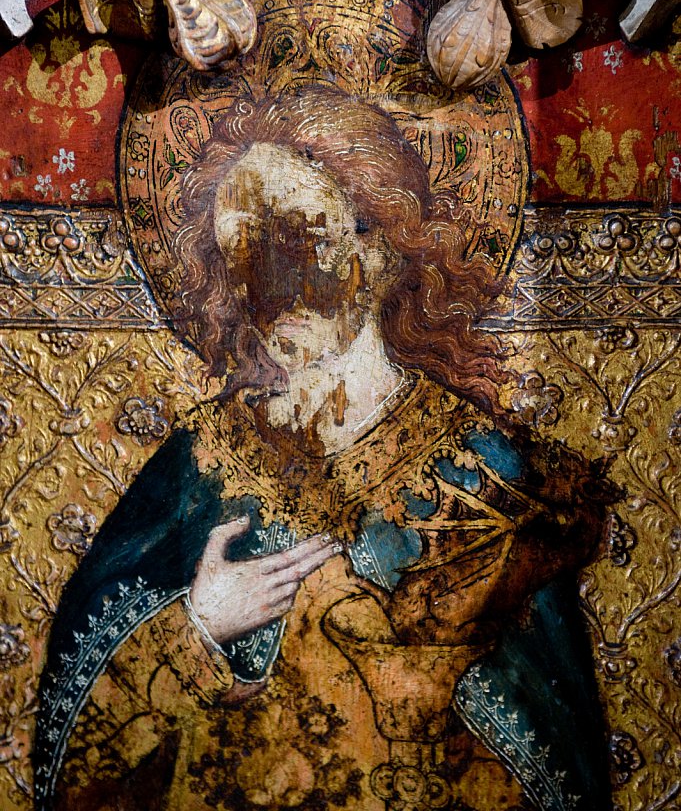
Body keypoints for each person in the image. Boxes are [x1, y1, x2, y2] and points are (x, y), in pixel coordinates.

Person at [35, 86, 613, 811]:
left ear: (375, 248)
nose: (263, 283)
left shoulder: (485, 466)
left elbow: (553, 749)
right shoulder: (200, 460)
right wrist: (198, 627)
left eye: (295, 239)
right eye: (239, 249)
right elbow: (70, 739)